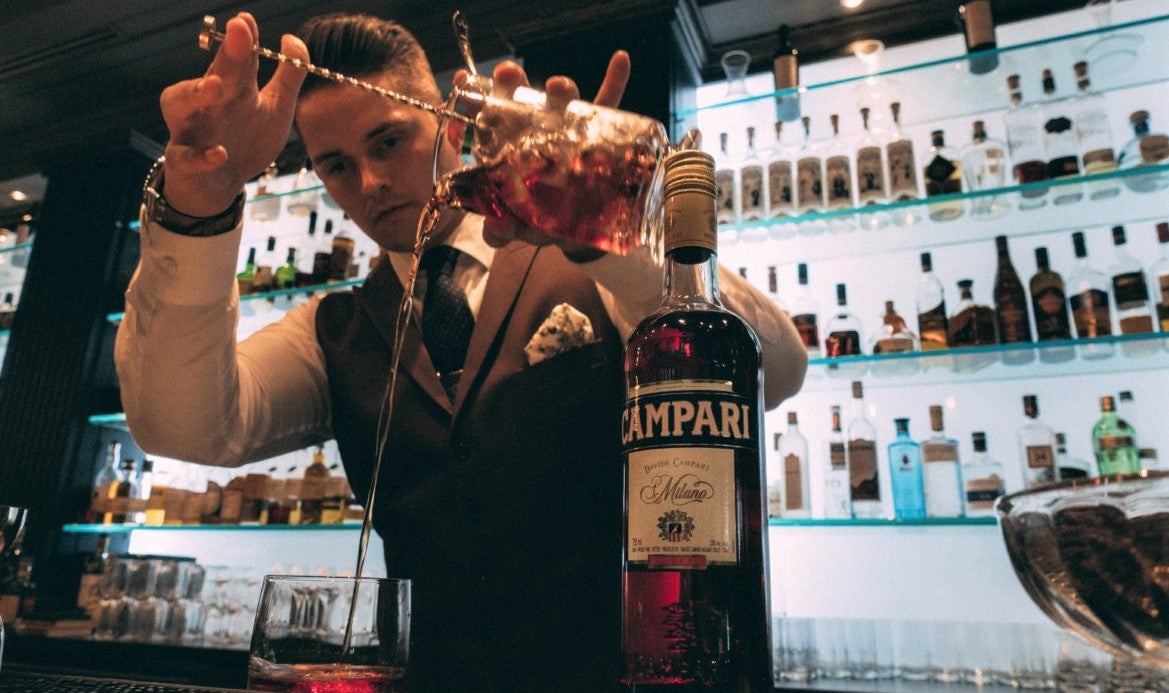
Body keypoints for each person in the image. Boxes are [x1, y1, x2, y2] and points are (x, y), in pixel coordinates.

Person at [115, 11, 808, 692]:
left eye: (388, 142)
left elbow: (774, 372)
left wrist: (604, 240)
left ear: (450, 124)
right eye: (335, 165)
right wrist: (198, 208)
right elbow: (184, 424)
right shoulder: (331, 330)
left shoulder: (595, 270)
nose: (369, 182)